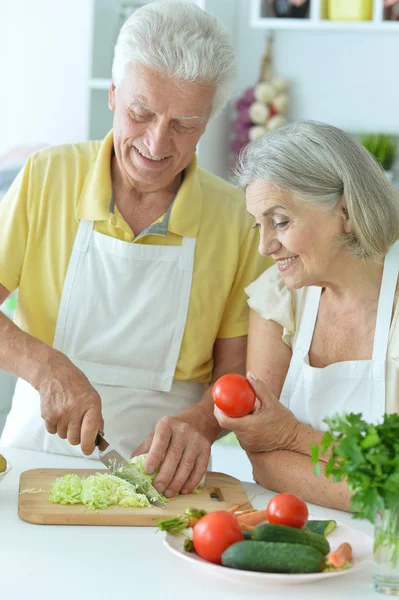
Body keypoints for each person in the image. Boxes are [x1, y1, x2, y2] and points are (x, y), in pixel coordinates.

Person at [0, 1, 270, 498]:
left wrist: (203, 425)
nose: (156, 142)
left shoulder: (235, 217)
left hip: (167, 476)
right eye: (141, 113)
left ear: (209, 119)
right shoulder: (47, 176)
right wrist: (45, 366)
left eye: (184, 123)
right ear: (113, 95)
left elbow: (237, 373)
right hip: (34, 456)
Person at [214, 120, 399, 511]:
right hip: (294, 532)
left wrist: (293, 437)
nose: (265, 246)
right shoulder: (277, 298)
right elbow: (262, 458)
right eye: (258, 225)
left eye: (280, 222)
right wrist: (376, 490)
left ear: (346, 212)